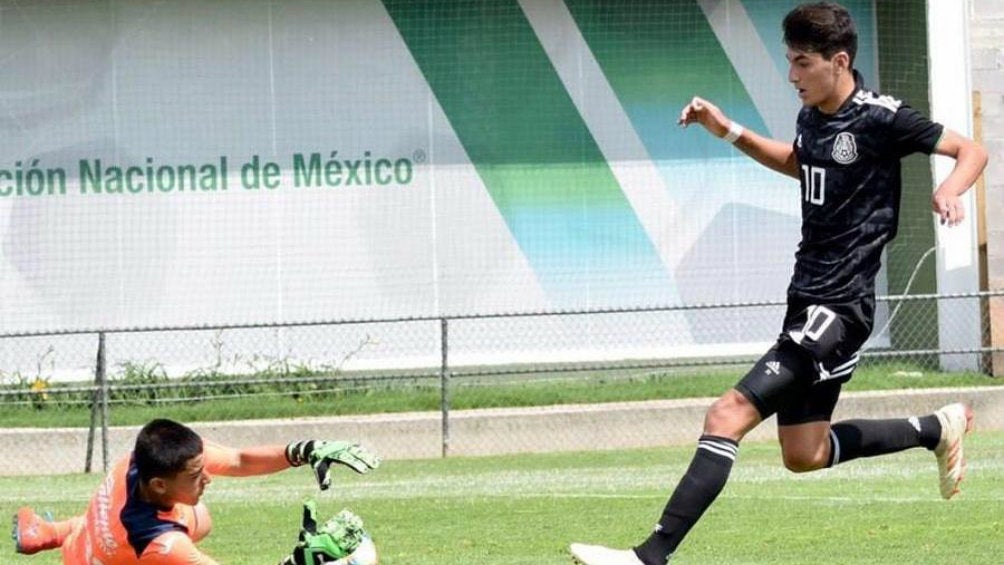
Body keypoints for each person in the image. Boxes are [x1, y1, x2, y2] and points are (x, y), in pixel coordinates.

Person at [570, 3, 988, 564]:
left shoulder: (882, 117)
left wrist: (951, 189)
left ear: (838, 62)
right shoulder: (814, 114)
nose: (791, 75)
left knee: (726, 416)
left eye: (801, 63)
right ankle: (934, 428)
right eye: (788, 61)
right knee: (805, 452)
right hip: (808, 300)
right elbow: (802, 162)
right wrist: (731, 131)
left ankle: (649, 556)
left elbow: (972, 149)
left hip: (837, 308)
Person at [11, 418, 380, 564]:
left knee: (201, 517)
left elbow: (236, 459)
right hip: (100, 555)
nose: (209, 478)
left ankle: (47, 532)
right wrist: (299, 562)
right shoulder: (161, 544)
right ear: (160, 484)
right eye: (196, 476)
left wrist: (303, 449)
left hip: (84, 542)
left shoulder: (138, 460)